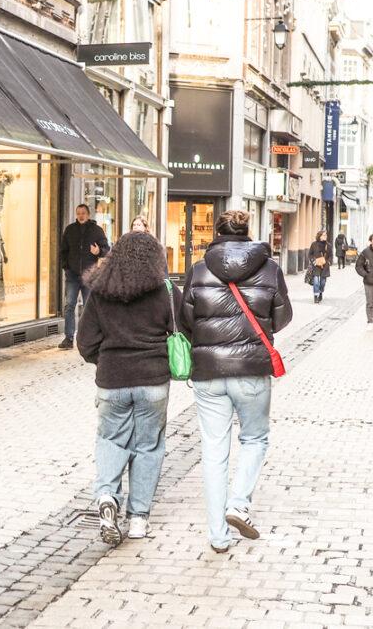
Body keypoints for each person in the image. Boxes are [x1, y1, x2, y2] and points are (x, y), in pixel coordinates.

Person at [179, 210, 292, 553]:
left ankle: (217, 536)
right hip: (252, 369)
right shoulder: (270, 268)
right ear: (248, 232)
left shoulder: (199, 269)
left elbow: (186, 320)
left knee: (214, 451)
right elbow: (283, 315)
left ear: (217, 233)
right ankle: (238, 503)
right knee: (255, 438)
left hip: (209, 372)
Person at [77, 232, 180, 545]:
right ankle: (138, 519)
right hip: (153, 380)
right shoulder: (164, 289)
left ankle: (107, 496)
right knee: (148, 447)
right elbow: (184, 327)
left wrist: (106, 361)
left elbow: (85, 343)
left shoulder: (100, 291)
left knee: (111, 439)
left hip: (112, 380)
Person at [59, 205, 109, 349]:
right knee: (69, 305)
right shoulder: (70, 230)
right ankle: (68, 338)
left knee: (89, 307)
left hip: (89, 275)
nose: (81, 216)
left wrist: (98, 250)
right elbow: (63, 251)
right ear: (76, 214)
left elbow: (107, 250)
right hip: (72, 275)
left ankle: (88, 339)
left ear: (88, 214)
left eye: (83, 213)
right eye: (79, 213)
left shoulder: (96, 230)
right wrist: (66, 267)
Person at [307, 231, 331, 303]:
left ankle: (320, 292)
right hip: (316, 265)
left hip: (325, 266)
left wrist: (328, 262)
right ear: (319, 236)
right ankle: (316, 296)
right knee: (316, 281)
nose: (325, 236)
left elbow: (331, 256)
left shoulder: (328, 245)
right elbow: (310, 254)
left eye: (326, 235)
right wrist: (314, 261)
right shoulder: (314, 244)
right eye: (324, 235)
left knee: (322, 282)